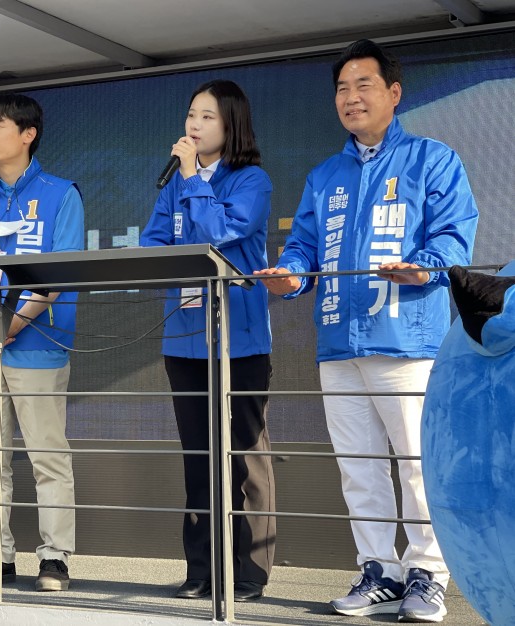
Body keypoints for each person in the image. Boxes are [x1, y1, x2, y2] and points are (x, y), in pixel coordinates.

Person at [255, 39, 478, 622]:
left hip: (407, 339)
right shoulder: (324, 175)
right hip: (338, 342)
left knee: (418, 465)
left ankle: (428, 575)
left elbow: (454, 236)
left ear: (393, 93)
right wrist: (289, 276)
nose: (351, 98)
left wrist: (423, 267)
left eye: (363, 85)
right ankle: (380, 570)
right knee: (359, 466)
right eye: (342, 88)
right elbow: (304, 248)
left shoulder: (432, 159)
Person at [140, 79, 275, 602]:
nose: (194, 125)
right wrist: (188, 182)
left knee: (243, 457)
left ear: (231, 124)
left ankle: (249, 572)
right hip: (185, 340)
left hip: (239, 342)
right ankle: (201, 568)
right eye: (191, 115)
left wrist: (194, 178)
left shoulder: (252, 180)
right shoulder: (177, 182)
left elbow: (220, 232)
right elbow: (154, 243)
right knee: (198, 458)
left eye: (207, 117)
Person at [0, 93, 84, 592]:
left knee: (47, 454)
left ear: (28, 134)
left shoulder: (61, 194)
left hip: (39, 344)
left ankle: (55, 558)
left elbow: (59, 273)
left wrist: (12, 324)